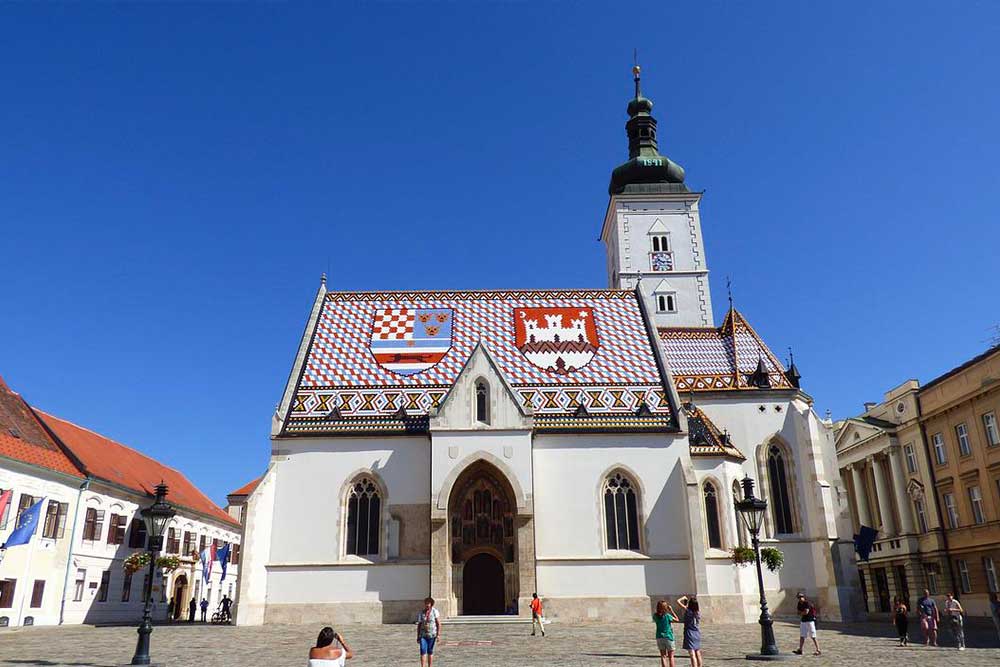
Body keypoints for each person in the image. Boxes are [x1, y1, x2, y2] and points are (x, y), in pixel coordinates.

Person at [676, 595, 702, 667]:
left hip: (689, 633)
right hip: (697, 633)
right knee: (698, 652)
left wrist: (683, 598)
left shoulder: (688, 611)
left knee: (692, 653)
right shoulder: (698, 613)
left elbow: (678, 602)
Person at [416, 597, 441, 667]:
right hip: (423, 635)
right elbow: (419, 624)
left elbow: (438, 623)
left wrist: (438, 634)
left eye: (428, 603)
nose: (427, 605)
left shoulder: (434, 611)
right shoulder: (421, 612)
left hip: (432, 634)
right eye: (426, 603)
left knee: (430, 651)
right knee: (423, 650)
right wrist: (418, 636)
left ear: (431, 604)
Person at [652, 599, 677, 667]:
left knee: (663, 656)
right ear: (666, 607)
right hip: (668, 636)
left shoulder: (655, 616)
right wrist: (671, 610)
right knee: (671, 656)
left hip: (659, 637)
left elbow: (656, 617)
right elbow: (677, 619)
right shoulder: (667, 616)